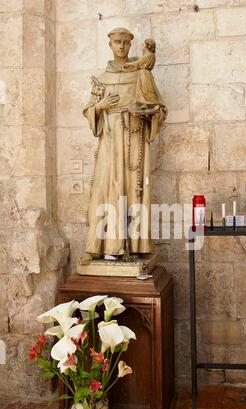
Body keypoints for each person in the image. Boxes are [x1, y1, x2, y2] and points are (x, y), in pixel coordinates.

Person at [81, 28, 167, 261]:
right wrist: (100, 107)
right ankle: (107, 246)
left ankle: (136, 246)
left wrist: (148, 112)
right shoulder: (102, 79)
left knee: (134, 189)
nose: (121, 46)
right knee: (105, 188)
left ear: (131, 45)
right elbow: (90, 109)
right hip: (110, 141)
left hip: (134, 140)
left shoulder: (141, 74)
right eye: (117, 42)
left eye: (126, 43)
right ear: (110, 44)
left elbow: (159, 108)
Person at [123, 38, 160, 115]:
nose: (142, 47)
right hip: (144, 73)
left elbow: (139, 62)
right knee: (142, 89)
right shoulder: (150, 55)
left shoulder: (148, 55)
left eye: (143, 45)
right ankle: (145, 103)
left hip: (144, 74)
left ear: (147, 46)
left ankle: (153, 104)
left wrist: (128, 64)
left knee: (146, 89)